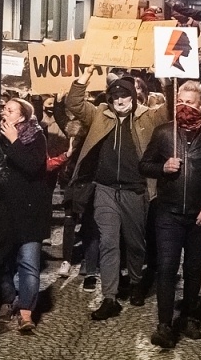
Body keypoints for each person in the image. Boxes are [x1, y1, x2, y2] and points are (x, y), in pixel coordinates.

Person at [66, 71, 169, 319]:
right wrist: (84, 76)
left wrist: (168, 80)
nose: (120, 100)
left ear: (134, 97)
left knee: (135, 243)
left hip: (136, 190)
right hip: (105, 190)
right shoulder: (100, 114)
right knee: (108, 242)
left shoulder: (148, 117)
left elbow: (171, 112)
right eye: (115, 96)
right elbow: (74, 104)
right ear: (110, 99)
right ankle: (109, 297)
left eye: (125, 95)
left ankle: (135, 282)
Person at [140, 82, 201, 350]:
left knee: (193, 268)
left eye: (191, 102)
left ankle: (191, 316)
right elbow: (143, 165)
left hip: (197, 217)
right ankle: (164, 325)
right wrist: (162, 167)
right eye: (181, 100)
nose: (185, 106)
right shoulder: (164, 133)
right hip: (168, 214)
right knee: (167, 268)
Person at [0, 98, 48, 335]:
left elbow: (33, 166)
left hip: (28, 211)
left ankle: (26, 311)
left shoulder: (36, 137)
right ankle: (7, 297)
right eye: (4, 109)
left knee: (28, 262)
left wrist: (14, 142)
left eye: (10, 110)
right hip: (3, 208)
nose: (4, 113)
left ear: (23, 117)